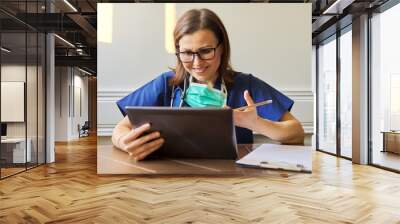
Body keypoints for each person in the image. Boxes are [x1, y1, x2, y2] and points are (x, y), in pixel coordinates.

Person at [112, 8, 304, 161]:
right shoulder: (166, 83)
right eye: (187, 52)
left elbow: (296, 133)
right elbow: (119, 129)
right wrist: (124, 142)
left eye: (205, 51)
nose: (196, 63)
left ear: (222, 48)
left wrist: (256, 123)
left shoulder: (246, 84)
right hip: (172, 178)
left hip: (235, 181)